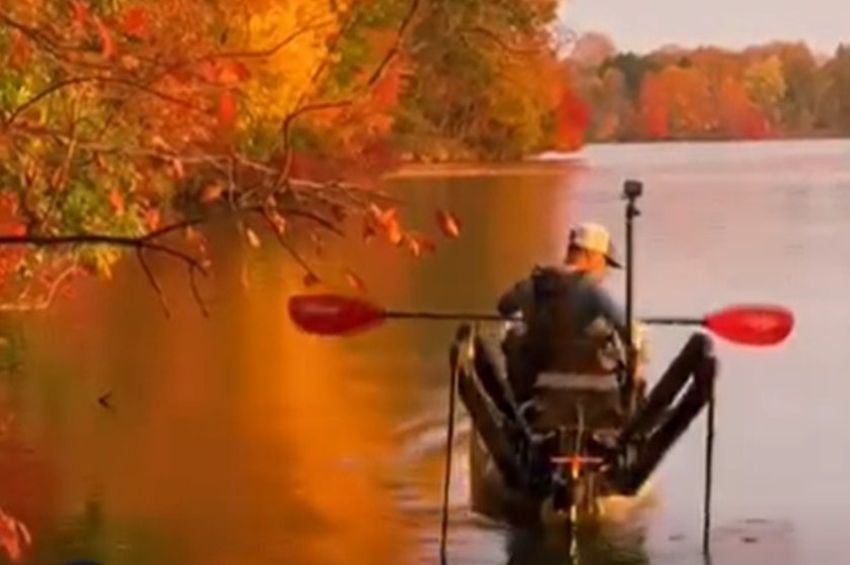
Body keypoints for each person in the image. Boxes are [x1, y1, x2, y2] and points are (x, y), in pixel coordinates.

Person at [497, 222, 646, 430]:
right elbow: (629, 330)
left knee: (513, 338)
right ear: (591, 257)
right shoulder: (592, 290)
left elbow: (504, 306)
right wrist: (638, 365)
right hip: (596, 399)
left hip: (540, 393)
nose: (605, 272)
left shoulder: (534, 284)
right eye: (604, 263)